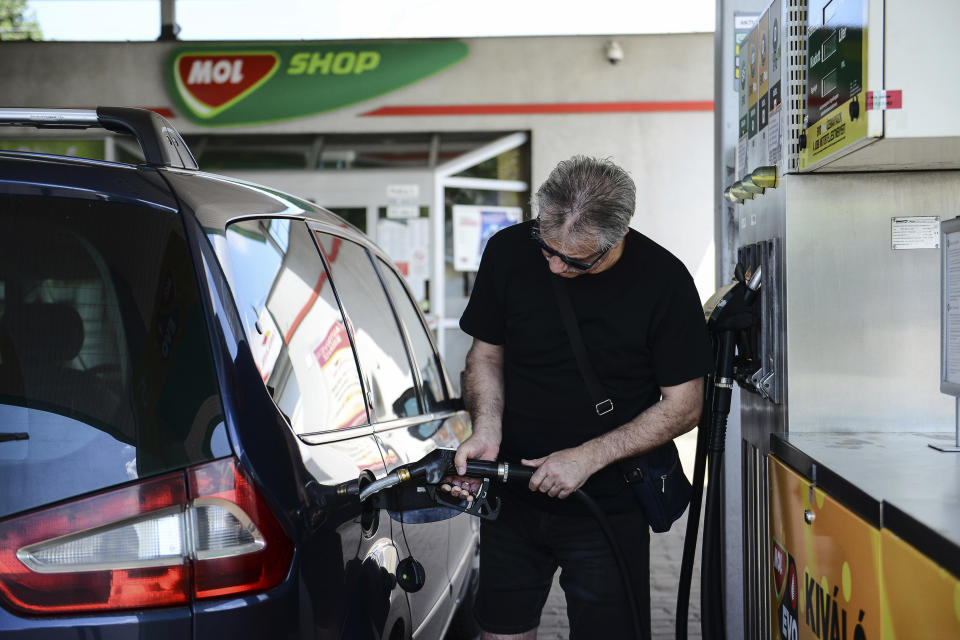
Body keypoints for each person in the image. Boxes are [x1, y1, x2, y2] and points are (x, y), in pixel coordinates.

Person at [445, 156, 713, 640]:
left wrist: (587, 457)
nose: (554, 264)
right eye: (547, 249)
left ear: (618, 238)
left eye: (575, 260)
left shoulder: (665, 282)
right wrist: (486, 430)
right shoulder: (507, 251)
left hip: (606, 506)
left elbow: (685, 404)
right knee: (500, 631)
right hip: (511, 495)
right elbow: (485, 357)